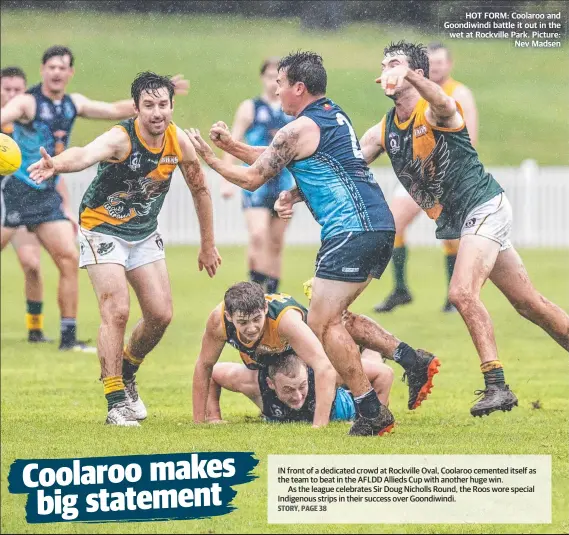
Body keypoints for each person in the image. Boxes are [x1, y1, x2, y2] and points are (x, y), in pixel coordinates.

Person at [187, 51, 439, 437]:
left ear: (298, 88)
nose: (276, 89)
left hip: (351, 229)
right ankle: (410, 359)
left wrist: (210, 156)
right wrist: (234, 145)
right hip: (374, 226)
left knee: (322, 323)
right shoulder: (331, 115)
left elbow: (256, 177)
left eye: (281, 83)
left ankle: (370, 410)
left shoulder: (297, 128)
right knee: (338, 319)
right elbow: (278, 156)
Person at [360, 40, 569, 417]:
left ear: (418, 73)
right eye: (384, 63)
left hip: (485, 206)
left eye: (396, 63)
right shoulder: (384, 129)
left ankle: (497, 386)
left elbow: (443, 101)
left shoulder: (437, 108)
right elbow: (349, 164)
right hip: (467, 218)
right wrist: (294, 190)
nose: (386, 69)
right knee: (529, 304)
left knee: (461, 293)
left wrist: (406, 74)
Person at [28, 71, 221, 427]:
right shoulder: (121, 138)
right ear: (136, 108)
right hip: (101, 227)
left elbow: (201, 189)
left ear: (172, 105)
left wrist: (207, 244)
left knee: (161, 315)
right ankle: (115, 400)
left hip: (143, 233)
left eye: (163, 104)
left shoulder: (179, 142)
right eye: (148, 105)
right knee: (116, 310)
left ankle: (128, 372)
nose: (157, 113)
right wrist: (57, 164)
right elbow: (85, 154)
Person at [0, 45, 189, 352]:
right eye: (52, 67)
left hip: (46, 194)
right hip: (15, 191)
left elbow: (115, 111)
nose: (57, 72)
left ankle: (68, 337)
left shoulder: (73, 103)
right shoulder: (27, 102)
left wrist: (157, 99)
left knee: (68, 258)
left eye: (63, 67)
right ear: (43, 70)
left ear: (70, 73)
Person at [374, 42, 479, 314]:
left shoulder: (456, 94)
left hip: (447, 173)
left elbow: (469, 137)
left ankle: (453, 296)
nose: (437, 67)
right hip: (415, 174)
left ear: (449, 64)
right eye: (432, 62)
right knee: (392, 224)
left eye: (441, 62)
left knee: (452, 236)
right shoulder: (406, 100)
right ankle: (400, 289)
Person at [193, 281, 338, 428]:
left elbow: (324, 367)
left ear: (265, 308)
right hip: (264, 365)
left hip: (309, 354)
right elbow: (205, 365)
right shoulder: (219, 322)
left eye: (257, 319)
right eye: (243, 322)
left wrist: (319, 426)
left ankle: (362, 406)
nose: (251, 328)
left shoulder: (287, 321)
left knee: (354, 340)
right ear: (229, 316)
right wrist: (204, 421)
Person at [0, 65, 68, 343]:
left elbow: (46, 170)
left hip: (23, 200)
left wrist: (66, 208)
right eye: (7, 89)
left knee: (32, 264)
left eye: (19, 89)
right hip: (5, 201)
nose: (13, 94)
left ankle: (35, 329)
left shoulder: (28, 126)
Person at [220, 58, 294, 293]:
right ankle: (255, 290)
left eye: (278, 77)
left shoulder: (292, 110)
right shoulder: (250, 108)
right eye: (270, 76)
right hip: (256, 181)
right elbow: (231, 142)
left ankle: (272, 296)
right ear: (262, 78)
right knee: (258, 235)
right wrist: (227, 178)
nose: (273, 81)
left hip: (284, 182)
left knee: (276, 242)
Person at [206, 352, 393, 425]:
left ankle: (371, 350)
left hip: (345, 404)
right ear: (271, 384)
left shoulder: (326, 372)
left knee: (368, 366)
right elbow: (211, 373)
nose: (297, 396)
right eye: (288, 390)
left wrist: (372, 422)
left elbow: (384, 375)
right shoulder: (254, 383)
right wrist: (214, 418)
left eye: (303, 387)